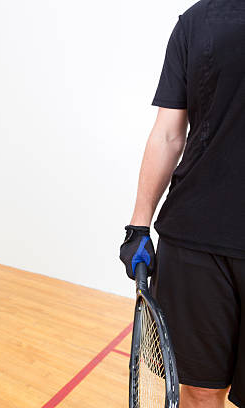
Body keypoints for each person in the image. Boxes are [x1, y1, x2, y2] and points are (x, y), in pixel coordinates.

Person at [120, 1, 245, 407]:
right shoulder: (196, 21)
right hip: (195, 240)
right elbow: (169, 132)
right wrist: (139, 224)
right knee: (200, 390)